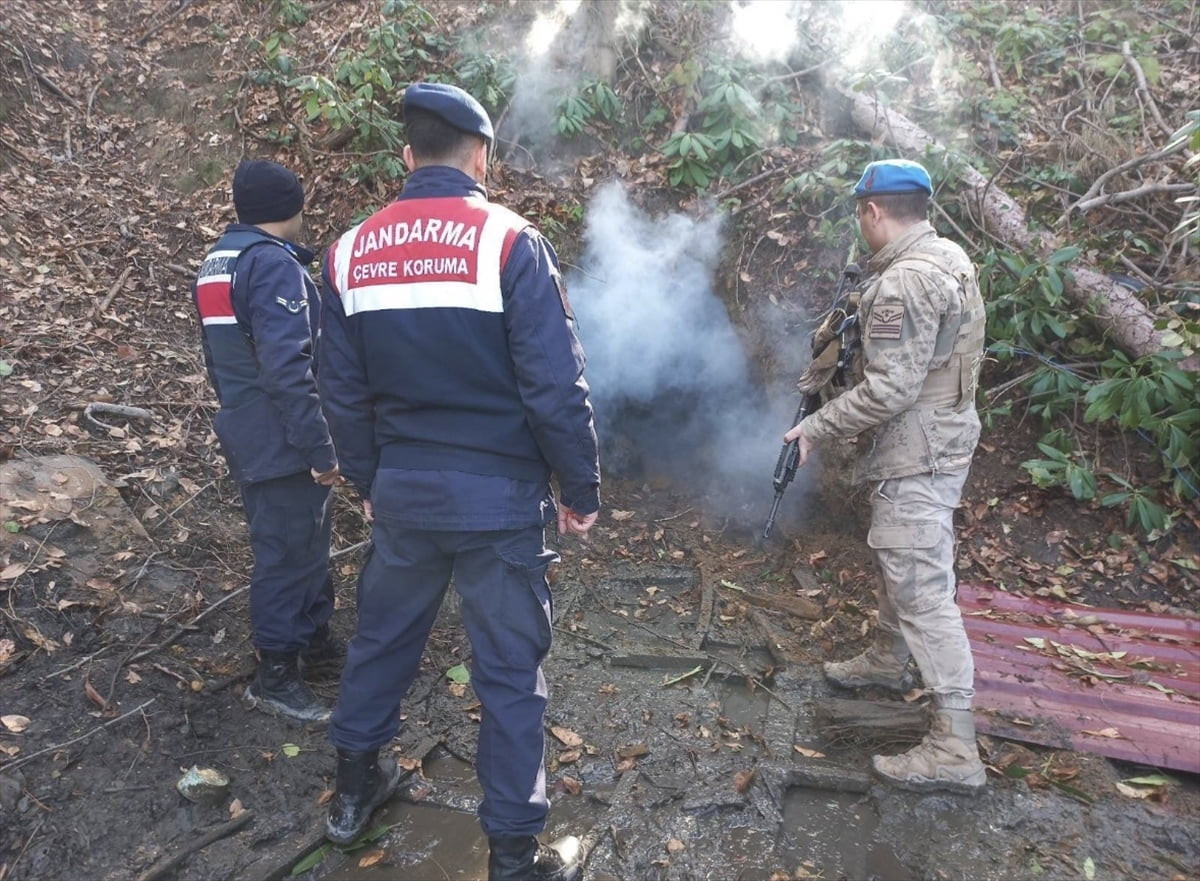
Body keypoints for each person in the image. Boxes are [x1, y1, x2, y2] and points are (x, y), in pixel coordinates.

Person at [317, 82, 600, 880]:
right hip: (499, 503)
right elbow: (555, 385)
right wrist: (579, 488)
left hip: (403, 491)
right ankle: (512, 855)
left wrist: (370, 478)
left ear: (406, 157)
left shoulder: (347, 252)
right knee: (509, 674)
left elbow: (339, 389)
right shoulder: (510, 242)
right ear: (483, 158)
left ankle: (350, 797)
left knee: (381, 642)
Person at [784, 158, 987, 795]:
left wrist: (816, 427)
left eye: (859, 214)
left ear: (873, 212)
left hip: (920, 448)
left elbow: (893, 386)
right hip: (940, 436)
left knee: (923, 585)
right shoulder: (949, 255)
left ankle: (955, 747)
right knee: (899, 556)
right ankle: (888, 659)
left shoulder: (904, 283)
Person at [192, 159, 344, 724]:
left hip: (248, 425)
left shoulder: (218, 262)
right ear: (294, 207)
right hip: (283, 435)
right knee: (288, 553)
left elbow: (222, 361)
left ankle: (314, 644)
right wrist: (320, 447)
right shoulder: (273, 267)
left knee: (303, 539)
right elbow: (287, 369)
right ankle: (277, 676)